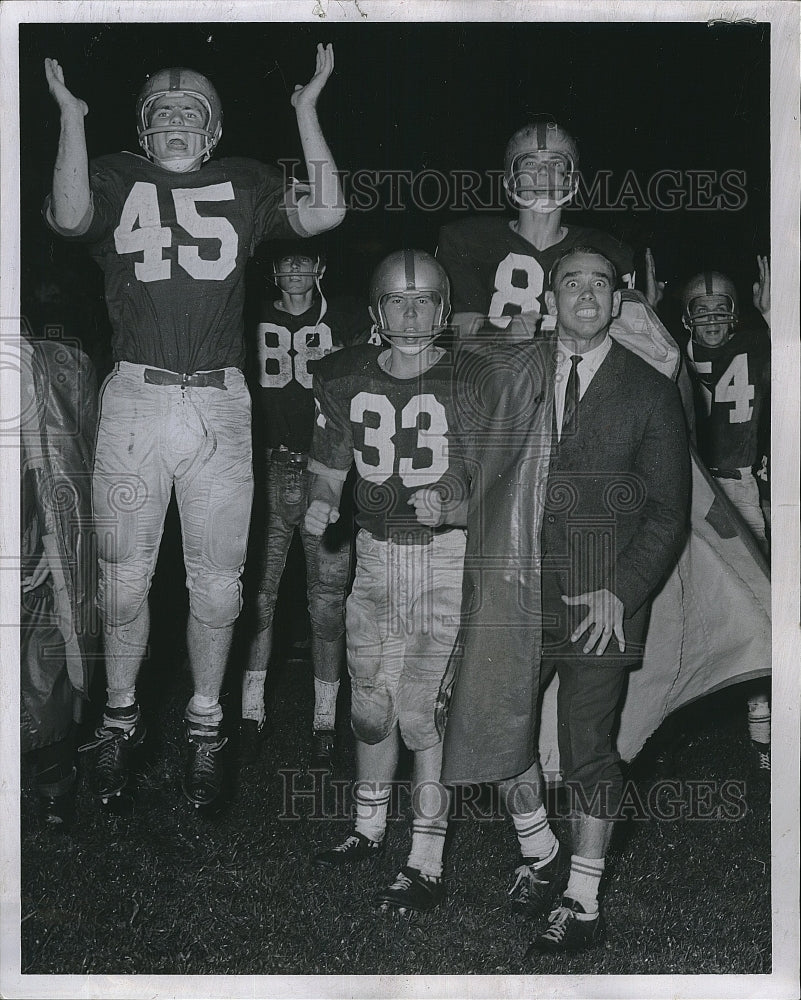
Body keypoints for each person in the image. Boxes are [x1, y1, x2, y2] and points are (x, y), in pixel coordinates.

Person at [43, 45, 346, 809]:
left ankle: (206, 728)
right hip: (137, 398)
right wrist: (71, 122)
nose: (176, 121)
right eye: (162, 113)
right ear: (143, 134)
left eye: (192, 114)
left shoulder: (243, 180)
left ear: (212, 135)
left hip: (218, 402)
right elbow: (70, 214)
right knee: (121, 582)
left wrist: (306, 112)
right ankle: (120, 718)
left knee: (218, 588)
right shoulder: (113, 173)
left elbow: (325, 211)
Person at [440, 247, 690, 952]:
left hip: (599, 593)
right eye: (570, 283)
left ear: (617, 302)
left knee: (587, 748)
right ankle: (539, 846)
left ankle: (581, 896)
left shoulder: (649, 389)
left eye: (598, 285)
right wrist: (447, 497)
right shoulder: (512, 372)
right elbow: (472, 451)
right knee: (490, 723)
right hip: (516, 586)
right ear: (550, 300)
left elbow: (668, 512)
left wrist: (622, 590)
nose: (585, 294)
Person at [305, 251, 467, 912]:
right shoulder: (344, 374)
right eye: (396, 301)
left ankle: (425, 857)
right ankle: (368, 826)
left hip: (441, 555)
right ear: (375, 312)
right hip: (373, 551)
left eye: (424, 299)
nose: (409, 312)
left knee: (424, 710)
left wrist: (453, 507)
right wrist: (322, 497)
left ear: (443, 308)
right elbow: (329, 462)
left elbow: (500, 480)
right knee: (369, 703)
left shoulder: (473, 380)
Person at [241, 244, 366, 768]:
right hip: (268, 467)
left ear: (321, 266)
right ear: (272, 271)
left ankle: (323, 721)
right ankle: (250, 713)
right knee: (258, 596)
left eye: (304, 261)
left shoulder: (350, 318)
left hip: (326, 472)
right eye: (284, 262)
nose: (294, 270)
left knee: (327, 602)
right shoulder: (248, 320)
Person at [679, 257, 771, 772]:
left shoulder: (755, 348)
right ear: (687, 316)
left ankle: (760, 715)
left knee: (758, 598)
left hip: (735, 485)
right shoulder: (670, 352)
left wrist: (775, 315)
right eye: (701, 309)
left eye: (721, 309)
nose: (711, 318)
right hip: (690, 488)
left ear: (735, 314)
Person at [436, 117, 644, 341]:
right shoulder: (467, 240)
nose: (544, 174)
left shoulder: (606, 250)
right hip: (489, 371)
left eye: (556, 164)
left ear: (571, 181)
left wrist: (646, 314)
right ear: (510, 179)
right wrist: (504, 336)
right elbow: (458, 330)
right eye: (530, 164)